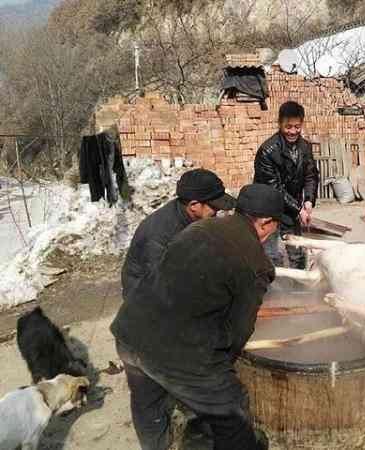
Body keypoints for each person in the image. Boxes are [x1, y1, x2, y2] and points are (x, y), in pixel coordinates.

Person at [111, 183, 284, 450]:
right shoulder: (256, 264)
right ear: (265, 223)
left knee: (149, 406)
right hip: (174, 352)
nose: (275, 232)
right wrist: (214, 373)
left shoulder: (198, 228)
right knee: (232, 409)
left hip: (129, 332)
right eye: (276, 225)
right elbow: (237, 333)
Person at [121, 168, 235, 300]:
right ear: (194, 205)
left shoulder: (191, 216)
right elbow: (163, 283)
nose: (218, 210)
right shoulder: (161, 233)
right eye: (214, 207)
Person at [253, 101, 319, 269]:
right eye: (288, 127)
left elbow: (311, 175)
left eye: (297, 126)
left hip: (292, 208)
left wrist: (309, 201)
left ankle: (299, 289)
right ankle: (272, 291)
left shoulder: (305, 147)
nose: (293, 131)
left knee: (297, 251)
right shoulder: (267, 151)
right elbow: (275, 188)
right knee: (271, 255)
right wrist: (299, 209)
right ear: (279, 123)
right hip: (268, 210)